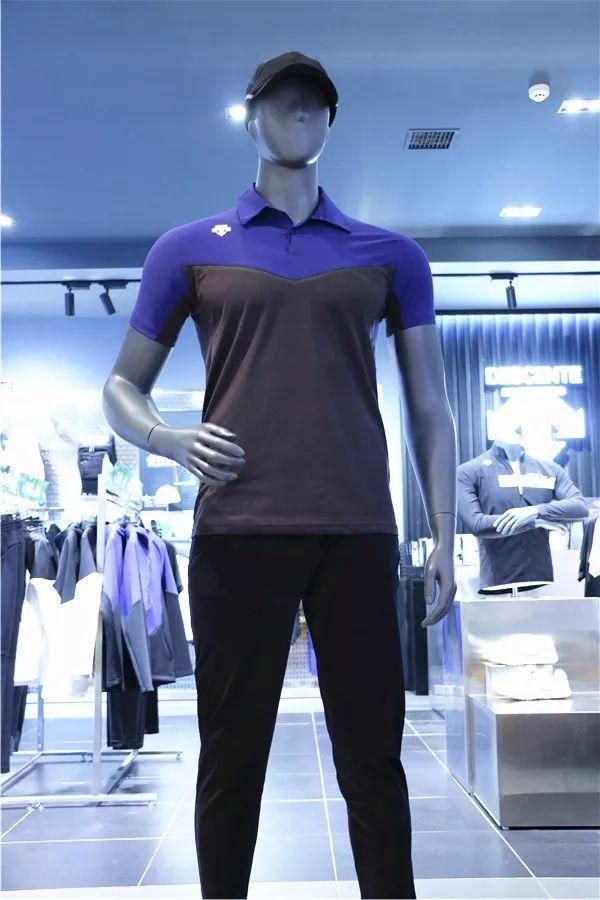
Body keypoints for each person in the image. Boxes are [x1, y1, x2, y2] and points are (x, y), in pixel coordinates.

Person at [103, 50, 457, 900]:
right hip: (239, 531)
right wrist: (166, 438)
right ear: (250, 115)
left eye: (314, 104)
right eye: (282, 101)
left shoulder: (390, 255)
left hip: (357, 531)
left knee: (373, 759)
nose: (299, 114)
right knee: (231, 759)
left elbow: (430, 407)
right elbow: (120, 387)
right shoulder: (189, 249)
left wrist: (444, 534)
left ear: (331, 120)